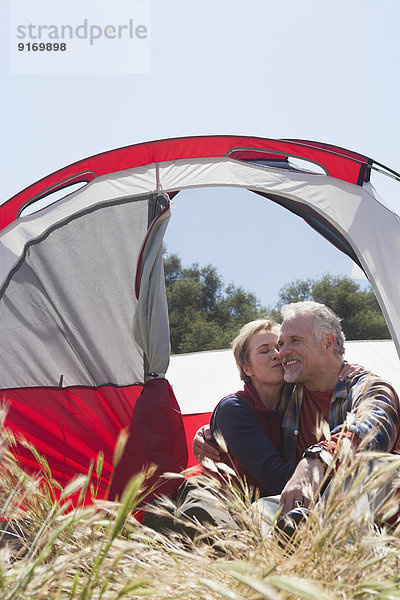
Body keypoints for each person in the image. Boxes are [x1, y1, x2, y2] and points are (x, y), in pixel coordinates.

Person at [194, 301, 400, 529]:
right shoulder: (290, 390)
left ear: (328, 343)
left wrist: (317, 458)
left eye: (294, 341)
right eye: (280, 344)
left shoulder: (369, 387)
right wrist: (208, 433)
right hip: (310, 503)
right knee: (260, 511)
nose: (281, 353)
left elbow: (373, 427)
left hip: (371, 510)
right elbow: (246, 410)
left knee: (364, 469)